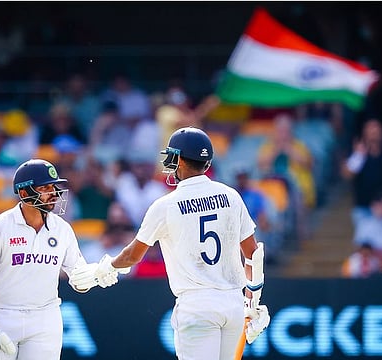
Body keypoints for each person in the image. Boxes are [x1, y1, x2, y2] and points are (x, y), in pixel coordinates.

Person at [71, 127, 271, 359]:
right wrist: (253, 299)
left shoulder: (165, 206)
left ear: (180, 160)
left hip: (197, 306)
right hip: (234, 304)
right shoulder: (231, 196)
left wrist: (101, 270)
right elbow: (253, 255)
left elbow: (132, 256)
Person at [0, 159, 116, 360]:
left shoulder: (62, 229)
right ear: (23, 193)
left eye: (54, 187)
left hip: (45, 318)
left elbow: (78, 280)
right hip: (2, 316)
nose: (54, 193)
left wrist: (95, 276)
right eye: (45, 188)